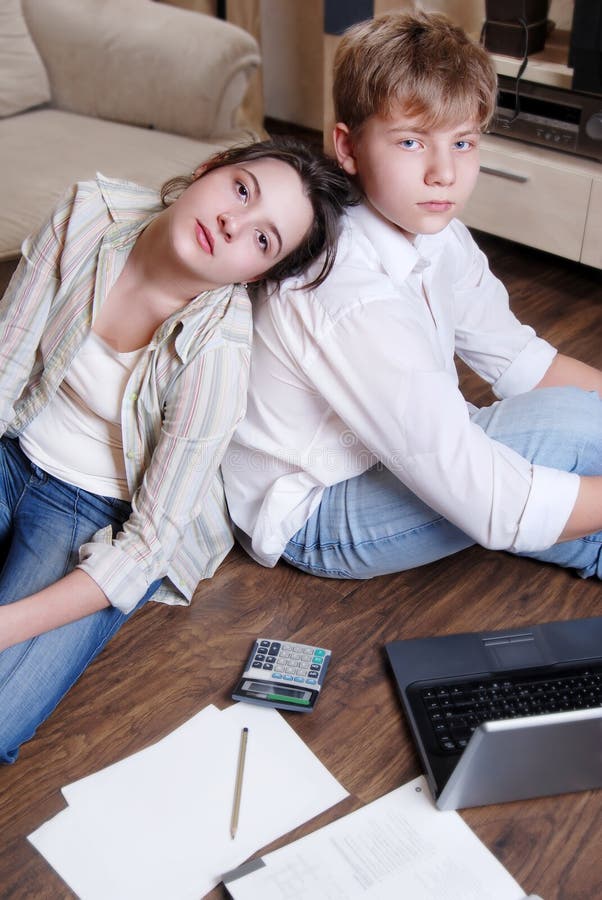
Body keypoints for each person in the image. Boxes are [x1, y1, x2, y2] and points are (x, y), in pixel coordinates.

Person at [0, 135, 355, 762]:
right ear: (209, 169)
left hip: (92, 515)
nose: (233, 221)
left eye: (263, 239)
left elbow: (145, 548)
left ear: (256, 275)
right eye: (241, 190)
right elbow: (4, 374)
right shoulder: (87, 216)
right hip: (14, 444)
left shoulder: (218, 358)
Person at [222, 12, 602, 587]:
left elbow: (527, 362)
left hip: (396, 449)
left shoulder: (436, 232)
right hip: (318, 509)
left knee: (580, 424)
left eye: (463, 142)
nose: (443, 173)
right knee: (575, 430)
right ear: (347, 147)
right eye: (410, 141)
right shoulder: (346, 289)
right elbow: (491, 506)